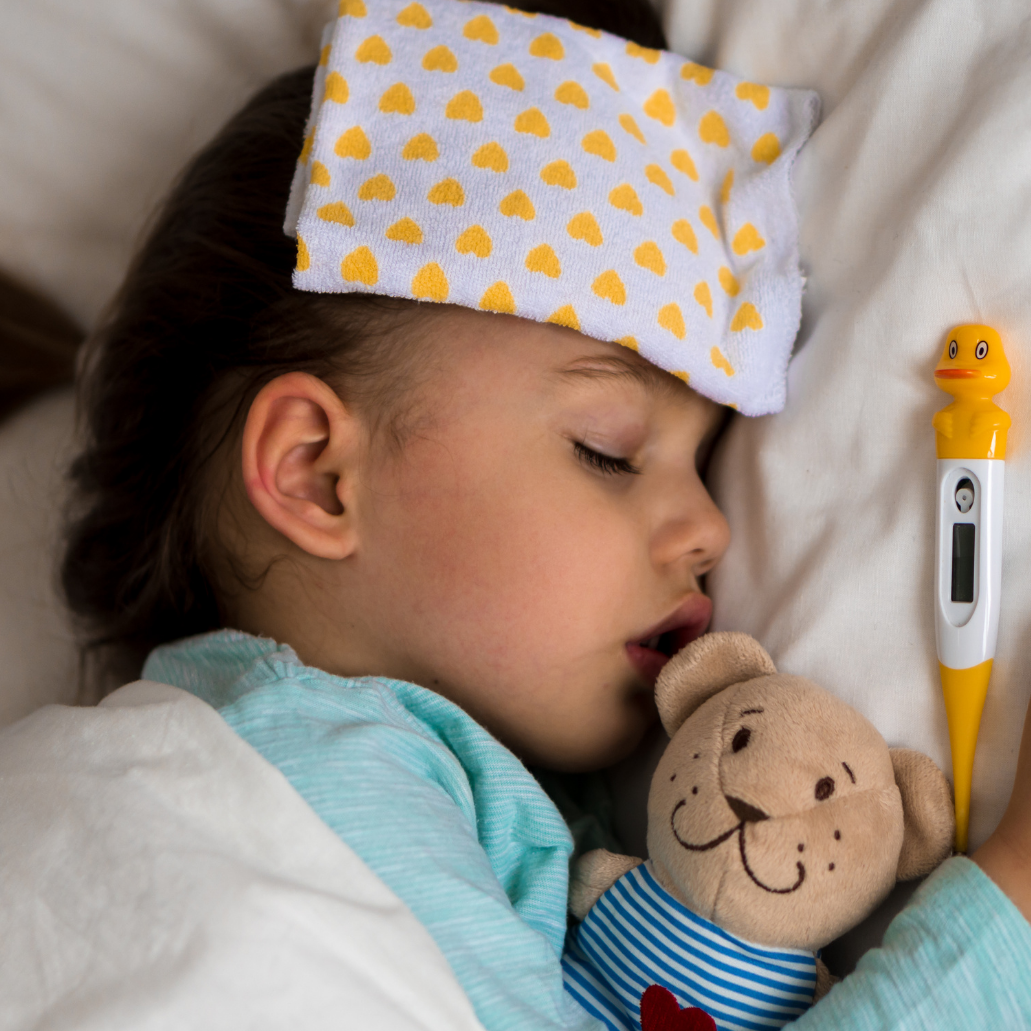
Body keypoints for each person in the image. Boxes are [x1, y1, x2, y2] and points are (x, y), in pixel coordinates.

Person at [51, 0, 1030, 1028]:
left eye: (704, 460)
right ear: (316, 473)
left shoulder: (451, 801)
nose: (708, 528)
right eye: (605, 450)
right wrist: (1009, 896)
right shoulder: (326, 782)